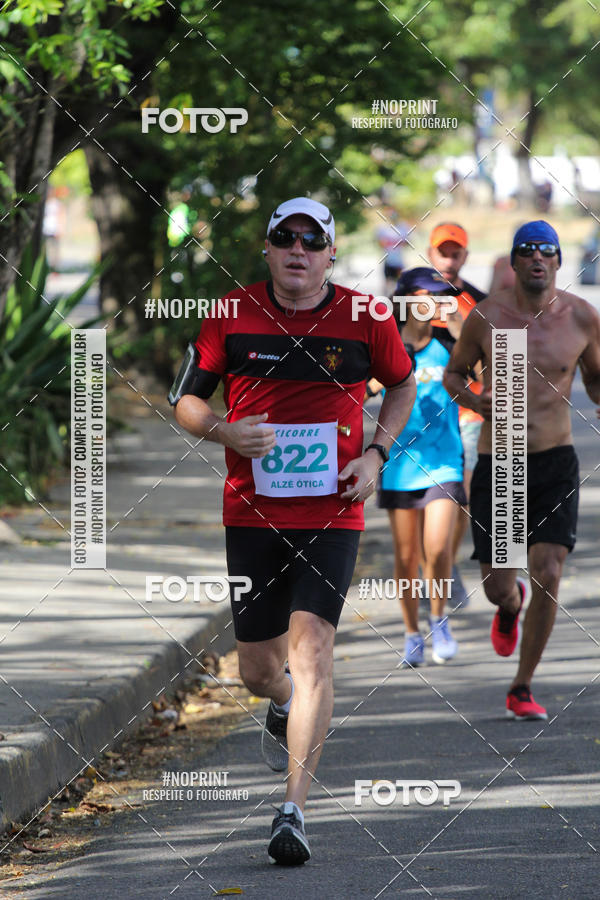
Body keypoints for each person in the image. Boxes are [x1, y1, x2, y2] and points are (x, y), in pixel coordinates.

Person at [171, 197, 416, 865]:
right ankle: (280, 701)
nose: (298, 250)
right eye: (286, 239)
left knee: (312, 656)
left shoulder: (367, 317)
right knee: (258, 670)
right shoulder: (231, 314)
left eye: (313, 240)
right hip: (250, 512)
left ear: (331, 253)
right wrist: (222, 429)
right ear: (269, 250)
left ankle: (292, 811)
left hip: (334, 513)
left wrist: (377, 454)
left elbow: (402, 386)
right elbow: (183, 399)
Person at [444, 220, 600, 719]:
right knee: (498, 585)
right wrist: (480, 404)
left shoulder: (581, 317)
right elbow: (453, 373)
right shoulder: (488, 317)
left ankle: (522, 686)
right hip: (502, 461)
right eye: (527, 250)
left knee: (550, 570)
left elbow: (597, 380)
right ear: (514, 263)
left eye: (547, 251)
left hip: (555, 460)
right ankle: (510, 606)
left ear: (558, 262)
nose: (537, 258)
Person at [369, 268, 466, 666]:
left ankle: (439, 617)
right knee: (407, 555)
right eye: (431, 294)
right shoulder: (388, 345)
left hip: (444, 460)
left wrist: (460, 325)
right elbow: (363, 389)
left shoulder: (448, 339)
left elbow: (491, 366)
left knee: (439, 545)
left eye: (443, 295)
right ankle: (412, 633)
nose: (437, 301)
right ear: (407, 299)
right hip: (399, 462)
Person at [427, 223, 487, 607]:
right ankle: (429, 567)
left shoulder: (481, 303)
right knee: (422, 498)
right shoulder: (408, 298)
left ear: (465, 256)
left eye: (455, 252)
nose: (449, 259)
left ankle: (446, 565)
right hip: (421, 414)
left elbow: (494, 367)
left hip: (466, 413)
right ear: (430, 253)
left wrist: (460, 329)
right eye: (442, 251)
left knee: (460, 497)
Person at [376, 209, 409, 295]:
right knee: (387, 282)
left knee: (400, 282)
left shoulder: (403, 227)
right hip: (388, 260)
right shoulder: (383, 228)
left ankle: (398, 302)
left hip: (399, 260)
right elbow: (380, 243)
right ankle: (386, 301)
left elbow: (407, 242)